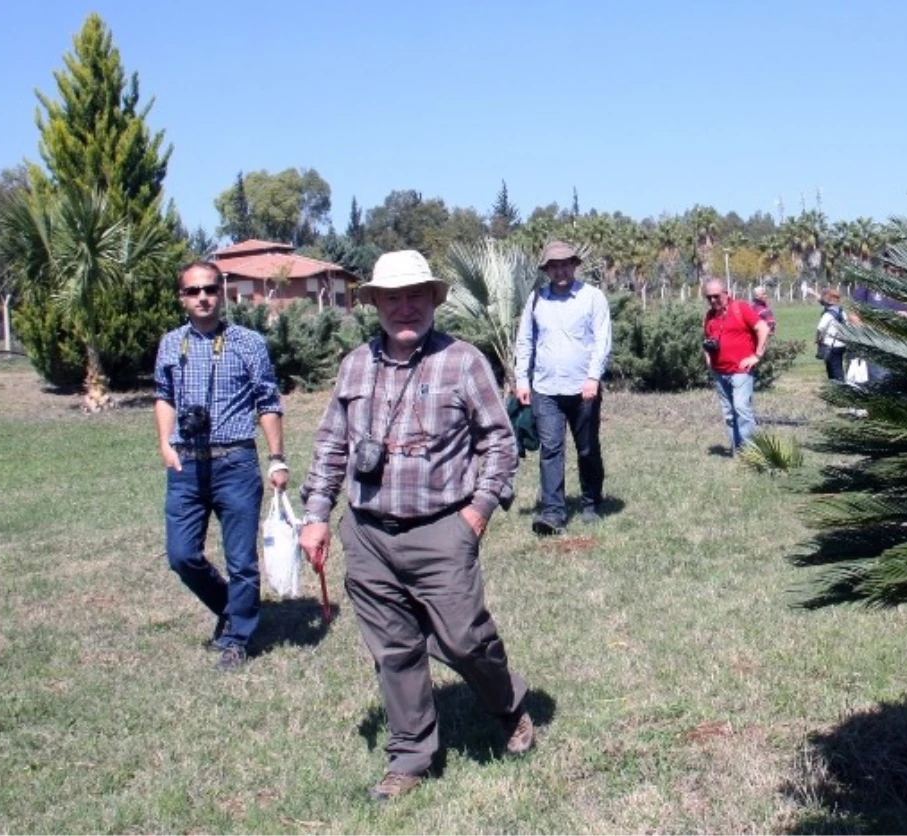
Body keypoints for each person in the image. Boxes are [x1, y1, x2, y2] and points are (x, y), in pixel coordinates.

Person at [299, 250, 533, 801]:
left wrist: (476, 513)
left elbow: (500, 441)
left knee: (466, 641)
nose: (405, 308)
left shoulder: (463, 361)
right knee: (394, 650)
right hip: (368, 534)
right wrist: (316, 515)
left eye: (415, 296)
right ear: (375, 303)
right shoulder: (356, 365)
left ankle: (508, 704)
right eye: (393, 297)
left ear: (432, 299)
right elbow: (333, 443)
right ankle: (410, 756)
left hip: (442, 530)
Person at [154, 261, 289, 671]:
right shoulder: (169, 344)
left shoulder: (247, 342)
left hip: (235, 462)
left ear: (222, 292)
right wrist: (164, 442)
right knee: (181, 555)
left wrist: (277, 458)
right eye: (193, 291)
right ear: (182, 297)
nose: (202, 297)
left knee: (241, 561)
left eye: (209, 289)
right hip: (186, 465)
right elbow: (164, 396)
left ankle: (236, 638)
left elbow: (268, 402)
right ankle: (232, 609)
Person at [514, 240, 612, 535]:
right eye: (554, 265)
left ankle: (591, 500)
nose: (560, 270)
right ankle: (553, 513)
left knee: (586, 449)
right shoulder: (535, 300)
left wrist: (593, 378)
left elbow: (602, 340)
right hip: (545, 389)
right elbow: (525, 341)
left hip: (583, 389)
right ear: (546, 270)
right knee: (551, 450)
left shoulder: (592, 297)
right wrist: (522, 379)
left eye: (565, 264)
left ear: (574, 265)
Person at [702, 277, 770, 454]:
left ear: (726, 293)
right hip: (719, 371)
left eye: (716, 296)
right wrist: (708, 358)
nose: (712, 300)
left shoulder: (741, 308)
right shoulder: (710, 315)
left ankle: (753, 453)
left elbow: (763, 328)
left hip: (741, 370)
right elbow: (707, 339)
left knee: (741, 408)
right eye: (708, 297)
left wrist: (757, 355)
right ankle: (738, 451)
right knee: (729, 413)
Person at [815, 287, 852, 382]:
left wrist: (817, 339)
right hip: (842, 344)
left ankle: (839, 388)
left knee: (833, 369)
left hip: (830, 345)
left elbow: (820, 328)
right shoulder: (842, 312)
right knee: (838, 366)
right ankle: (837, 385)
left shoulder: (828, 314)